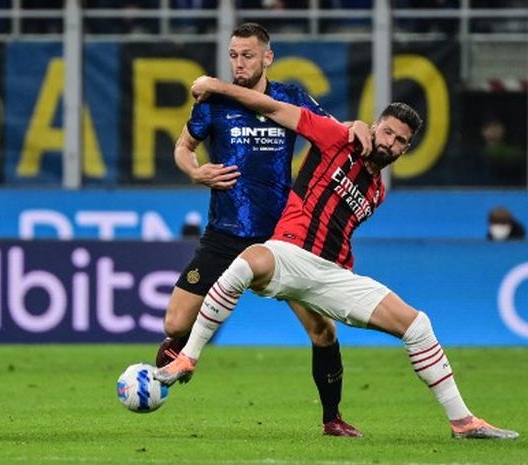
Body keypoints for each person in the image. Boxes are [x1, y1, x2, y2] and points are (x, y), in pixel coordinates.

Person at [155, 75, 520, 440]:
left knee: (416, 325)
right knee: (250, 261)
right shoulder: (336, 137)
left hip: (330, 274)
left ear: (405, 150)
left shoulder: (377, 192)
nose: (390, 142)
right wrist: (217, 87)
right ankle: (188, 355)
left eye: (400, 141)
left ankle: (463, 422)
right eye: (387, 132)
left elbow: (338, 234)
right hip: (288, 253)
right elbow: (271, 107)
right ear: (375, 128)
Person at [156, 22, 372, 437]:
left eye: (248, 55)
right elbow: (183, 147)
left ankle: (333, 419)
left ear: (267, 57)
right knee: (174, 324)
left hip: (282, 239)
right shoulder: (212, 103)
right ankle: (168, 369)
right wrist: (196, 172)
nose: (239, 63)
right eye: (234, 55)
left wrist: (357, 124)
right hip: (225, 232)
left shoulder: (289, 97)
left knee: (322, 330)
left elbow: (331, 130)